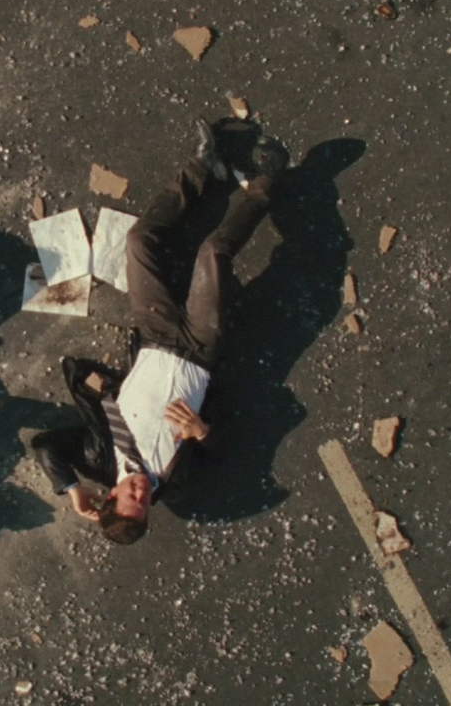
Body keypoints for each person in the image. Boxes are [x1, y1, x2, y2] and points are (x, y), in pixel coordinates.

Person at [32, 121, 288, 544]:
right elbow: (224, 453)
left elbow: (45, 445)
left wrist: (72, 490)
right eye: (146, 502)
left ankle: (202, 166)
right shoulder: (175, 479)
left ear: (110, 495)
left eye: (130, 497)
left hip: (153, 332)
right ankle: (269, 181)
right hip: (200, 348)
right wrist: (202, 432)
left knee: (139, 241)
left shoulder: (99, 457)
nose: (142, 492)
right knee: (213, 252)